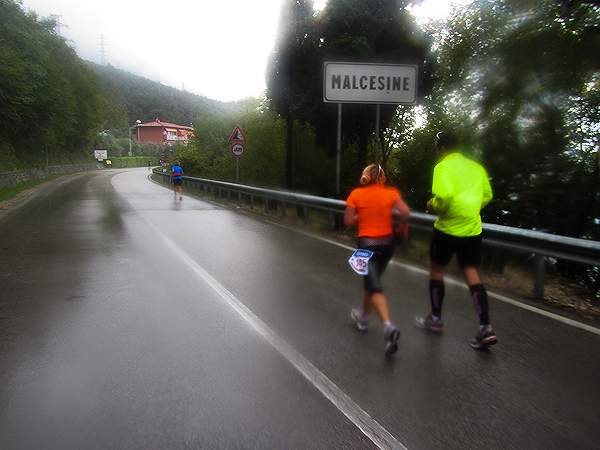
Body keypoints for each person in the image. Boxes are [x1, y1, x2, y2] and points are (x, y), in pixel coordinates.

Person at [415, 131, 497, 349]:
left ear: (441, 147)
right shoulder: (476, 168)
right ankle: (485, 327)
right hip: (471, 229)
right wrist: (469, 210)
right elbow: (487, 194)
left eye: (436, 145)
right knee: (471, 273)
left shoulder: (442, 167)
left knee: (436, 270)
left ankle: (435, 319)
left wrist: (433, 206)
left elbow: (444, 197)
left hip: (447, 229)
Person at [345, 163, 410, 356]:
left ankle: (388, 327)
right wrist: (402, 229)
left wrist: (361, 216)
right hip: (387, 246)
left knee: (374, 286)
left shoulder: (356, 194)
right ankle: (363, 318)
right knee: (371, 282)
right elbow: (405, 212)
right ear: (381, 179)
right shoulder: (391, 194)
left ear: (366, 177)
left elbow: (348, 221)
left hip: (367, 247)